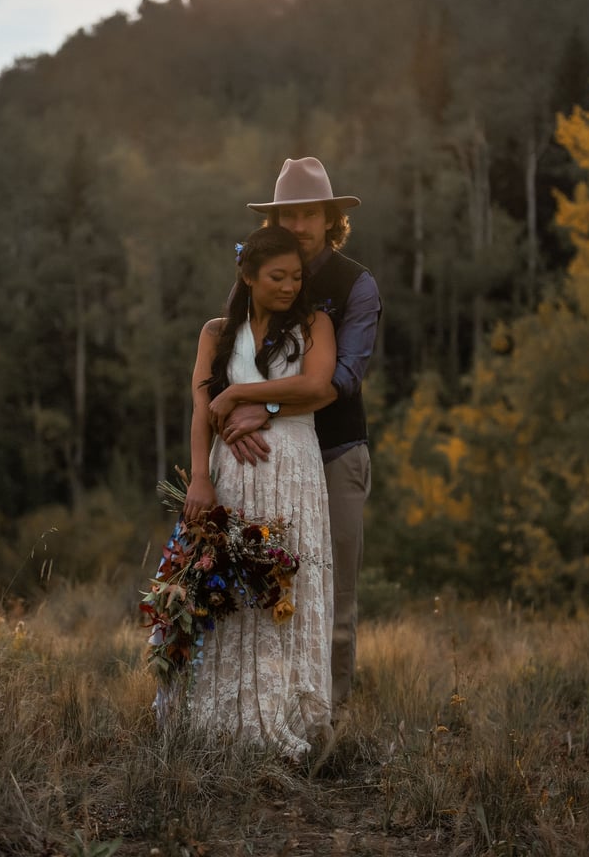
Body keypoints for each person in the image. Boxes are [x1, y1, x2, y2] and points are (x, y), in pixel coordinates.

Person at [221, 157, 381, 712]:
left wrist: (261, 406)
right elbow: (229, 357)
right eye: (289, 214)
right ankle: (272, 715)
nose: (299, 224)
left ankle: (329, 727)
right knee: (262, 593)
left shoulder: (356, 285)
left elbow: (342, 380)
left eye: (310, 213)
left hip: (334, 455)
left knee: (332, 599)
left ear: (330, 218)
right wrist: (230, 425)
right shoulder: (261, 273)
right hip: (266, 462)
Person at [183, 225, 336, 759]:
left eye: (296, 276)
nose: (290, 286)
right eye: (277, 276)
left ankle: (287, 709)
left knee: (288, 584)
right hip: (233, 473)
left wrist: (244, 393)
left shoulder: (314, 325)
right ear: (247, 275)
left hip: (292, 465)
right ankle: (227, 714)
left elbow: (319, 387)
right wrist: (201, 477)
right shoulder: (215, 333)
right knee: (233, 584)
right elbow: (204, 410)